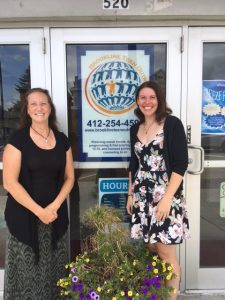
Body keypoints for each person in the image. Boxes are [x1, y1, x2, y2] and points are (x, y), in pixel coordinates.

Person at [3, 88, 74, 299]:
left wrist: (53, 207)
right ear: (27, 109)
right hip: (25, 218)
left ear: (50, 108)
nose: (39, 108)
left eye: (43, 103)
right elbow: (9, 183)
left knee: (54, 272)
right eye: (33, 104)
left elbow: (70, 178)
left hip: (54, 217)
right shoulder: (18, 140)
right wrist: (38, 211)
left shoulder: (62, 140)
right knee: (28, 276)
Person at [126, 81, 190, 300]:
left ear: (159, 100)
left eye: (152, 97)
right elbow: (133, 164)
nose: (147, 102)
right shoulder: (136, 128)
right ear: (137, 101)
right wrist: (130, 194)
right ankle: (158, 293)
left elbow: (181, 164)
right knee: (152, 246)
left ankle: (170, 298)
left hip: (165, 194)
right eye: (142, 97)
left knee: (165, 251)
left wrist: (166, 199)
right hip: (142, 197)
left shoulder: (171, 124)